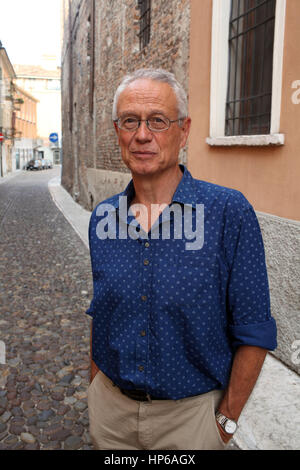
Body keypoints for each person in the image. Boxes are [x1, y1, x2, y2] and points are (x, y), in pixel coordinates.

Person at [86, 68, 277, 450]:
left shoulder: (228, 213)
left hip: (191, 423)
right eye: (130, 121)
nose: (143, 135)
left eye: (158, 121)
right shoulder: (103, 217)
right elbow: (101, 313)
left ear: (184, 130)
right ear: (117, 131)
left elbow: (255, 329)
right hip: (111, 417)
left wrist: (225, 421)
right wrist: (94, 392)